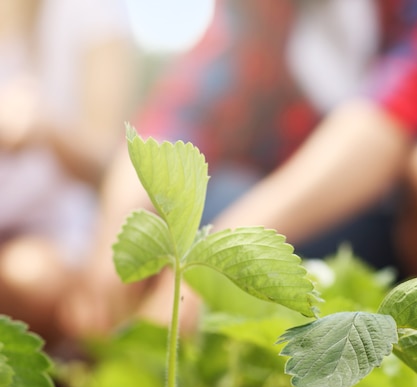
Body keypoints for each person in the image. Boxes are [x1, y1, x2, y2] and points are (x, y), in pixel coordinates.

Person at [62, 0, 417, 337]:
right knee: (200, 206)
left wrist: (223, 255)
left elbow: (384, 120)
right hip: (278, 219)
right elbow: (181, 113)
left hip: (378, 228)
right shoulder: (258, 11)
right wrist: (119, 230)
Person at [0, 0, 136, 345]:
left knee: (30, 279)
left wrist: (46, 128)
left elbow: (110, 163)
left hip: (49, 232)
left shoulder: (93, 14)